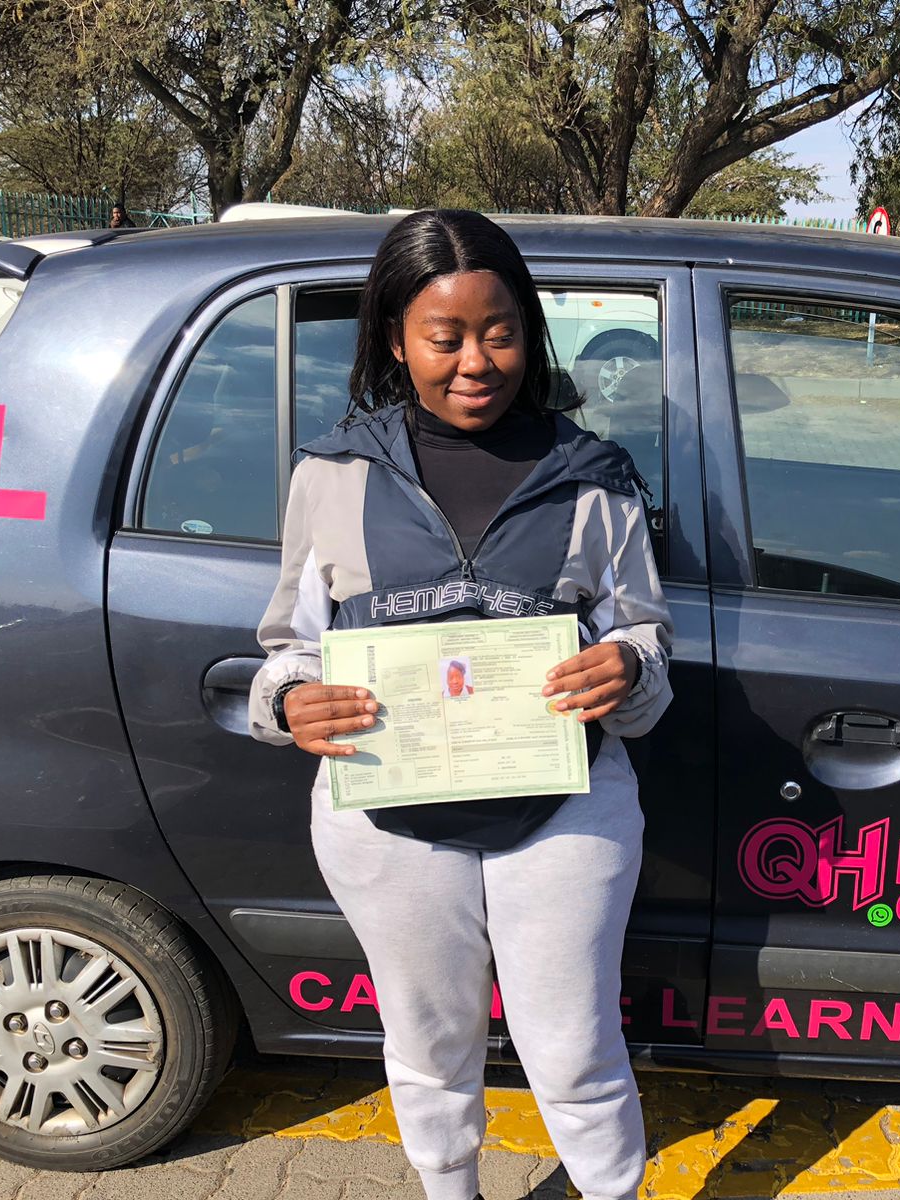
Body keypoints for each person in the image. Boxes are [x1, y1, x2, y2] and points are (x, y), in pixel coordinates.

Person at [248, 209, 672, 1200]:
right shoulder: (332, 476)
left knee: (574, 1049)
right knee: (429, 1043)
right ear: (396, 339)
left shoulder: (593, 477)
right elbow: (285, 647)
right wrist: (292, 702)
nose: (475, 361)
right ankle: (451, 1189)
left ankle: (610, 1190)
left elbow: (646, 639)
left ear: (528, 332)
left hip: (565, 814)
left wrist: (626, 671)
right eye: (445, 339)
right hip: (389, 823)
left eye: (500, 332)